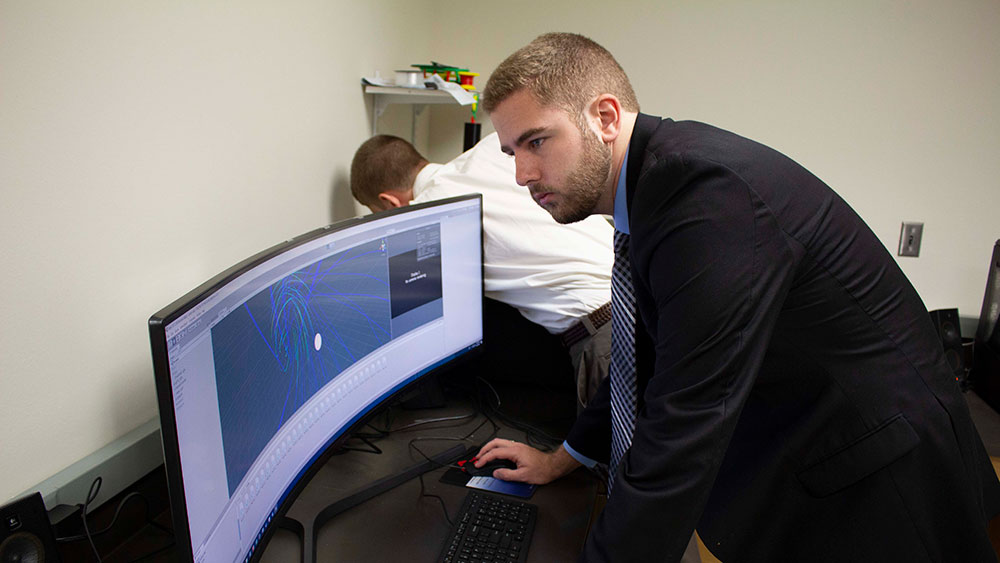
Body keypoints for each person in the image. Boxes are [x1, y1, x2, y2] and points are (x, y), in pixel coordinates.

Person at [473, 32, 1000, 562]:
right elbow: (648, 351)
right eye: (511, 151)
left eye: (536, 141)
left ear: (606, 118)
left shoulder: (705, 201)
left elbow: (683, 429)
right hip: (821, 451)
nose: (522, 174)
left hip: (879, 479)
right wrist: (566, 456)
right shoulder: (653, 187)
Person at [350, 133, 614, 406]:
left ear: (390, 202)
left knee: (604, 449)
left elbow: (406, 313)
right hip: (638, 295)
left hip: (604, 336)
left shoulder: (428, 214)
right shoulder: (496, 149)